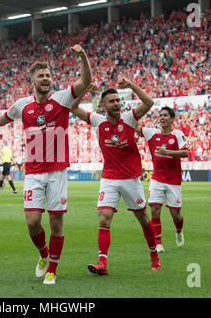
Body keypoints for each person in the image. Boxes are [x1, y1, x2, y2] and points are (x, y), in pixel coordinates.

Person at [0, 44, 92, 284]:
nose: (45, 79)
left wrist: (82, 57)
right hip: (34, 173)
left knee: (56, 223)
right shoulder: (21, 105)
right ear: (33, 81)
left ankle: (52, 271)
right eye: (41, 76)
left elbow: (86, 80)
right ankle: (43, 255)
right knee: (32, 222)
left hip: (57, 173)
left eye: (48, 75)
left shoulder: (62, 98)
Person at [70, 78, 162, 275]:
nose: (116, 104)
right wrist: (85, 90)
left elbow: (149, 103)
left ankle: (154, 255)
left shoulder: (129, 118)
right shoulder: (98, 121)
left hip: (131, 178)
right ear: (103, 105)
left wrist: (130, 85)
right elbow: (73, 108)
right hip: (109, 178)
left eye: (118, 100)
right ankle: (102, 263)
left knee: (143, 218)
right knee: (104, 219)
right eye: (111, 101)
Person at [136, 106, 189, 253]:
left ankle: (178, 231)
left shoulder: (177, 134)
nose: (162, 118)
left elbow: (186, 153)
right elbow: (133, 126)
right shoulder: (152, 133)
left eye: (165, 115)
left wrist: (167, 152)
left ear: (172, 119)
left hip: (173, 180)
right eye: (160, 115)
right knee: (154, 210)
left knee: (176, 215)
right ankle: (158, 243)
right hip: (157, 178)